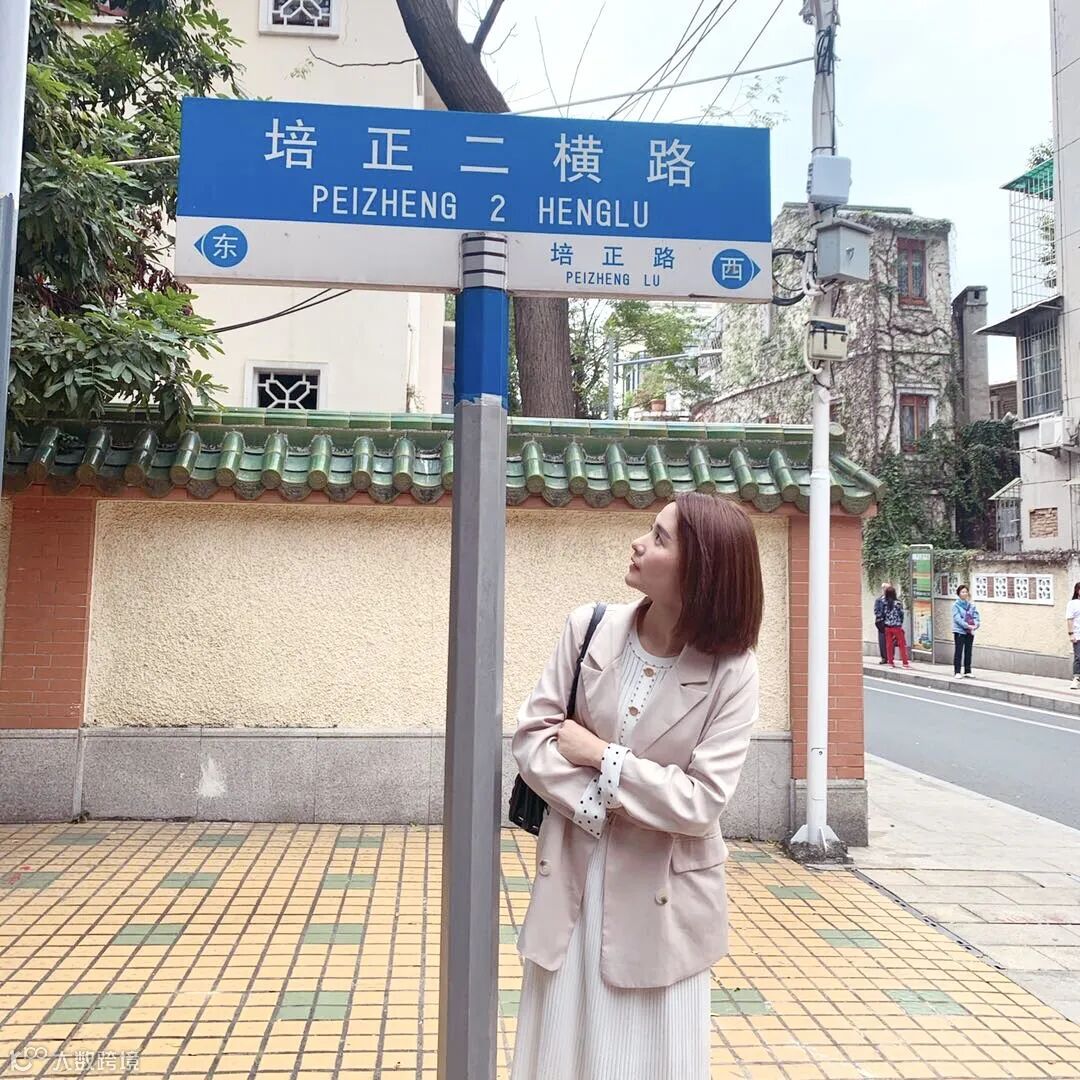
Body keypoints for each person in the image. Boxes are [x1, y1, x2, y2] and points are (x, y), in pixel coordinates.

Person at [510, 493, 763, 1080]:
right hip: (571, 884)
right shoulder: (589, 629)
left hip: (664, 905)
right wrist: (601, 805)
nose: (639, 543)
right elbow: (534, 739)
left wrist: (601, 756)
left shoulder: (733, 671)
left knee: (647, 1059)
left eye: (660, 538)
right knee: (560, 1052)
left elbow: (700, 801)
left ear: (701, 572)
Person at [952, 584, 980, 679]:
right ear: (959, 594)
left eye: (966, 592)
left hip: (970, 631)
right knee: (959, 651)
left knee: (968, 651)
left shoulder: (971, 605)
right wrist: (966, 625)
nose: (964, 594)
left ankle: (968, 670)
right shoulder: (956, 605)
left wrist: (975, 625)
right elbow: (957, 618)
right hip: (959, 631)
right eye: (962, 592)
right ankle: (957, 671)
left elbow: (976, 616)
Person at [881, 586, 910, 667]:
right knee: (902, 644)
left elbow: (883, 614)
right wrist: (900, 623)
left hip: (887, 626)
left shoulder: (884, 603)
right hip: (897, 626)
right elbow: (901, 614)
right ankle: (905, 663)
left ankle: (890, 662)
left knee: (889, 645)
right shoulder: (898, 603)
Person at [1066, 582, 1080, 690]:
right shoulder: (1073, 603)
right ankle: (1076, 679)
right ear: (1077, 591)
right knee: (1078, 657)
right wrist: (1071, 634)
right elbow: (1069, 619)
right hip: (1078, 635)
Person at [873, 581, 891, 664]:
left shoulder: (893, 600)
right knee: (882, 641)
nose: (886, 590)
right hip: (882, 623)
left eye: (887, 588)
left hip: (891, 623)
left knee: (891, 641)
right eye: (885, 588)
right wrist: (882, 616)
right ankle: (884, 657)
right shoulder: (879, 600)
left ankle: (890, 657)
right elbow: (876, 611)